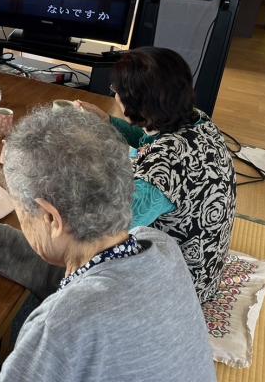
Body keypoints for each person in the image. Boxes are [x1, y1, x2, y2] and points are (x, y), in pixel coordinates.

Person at [0, 107, 216, 381]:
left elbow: (75, 309)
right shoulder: (157, 245)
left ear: (51, 217)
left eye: (20, 211)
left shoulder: (59, 327)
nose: (21, 219)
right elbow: (81, 283)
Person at [77, 46, 235, 302]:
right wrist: (106, 121)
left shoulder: (162, 170)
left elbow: (111, 226)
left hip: (182, 287)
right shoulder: (196, 120)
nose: (115, 95)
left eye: (116, 91)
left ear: (135, 103)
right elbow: (148, 140)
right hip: (207, 263)